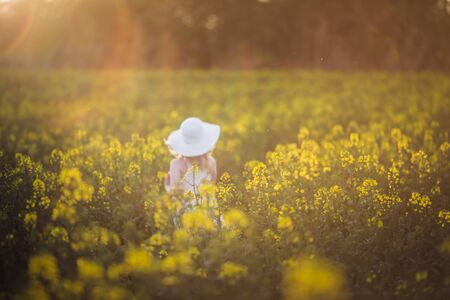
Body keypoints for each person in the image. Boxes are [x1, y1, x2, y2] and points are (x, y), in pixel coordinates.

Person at [164, 117, 221, 225]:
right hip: (209, 209)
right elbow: (212, 188)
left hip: (187, 214)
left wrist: (167, 186)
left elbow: (175, 194)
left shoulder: (177, 164)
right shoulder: (211, 162)